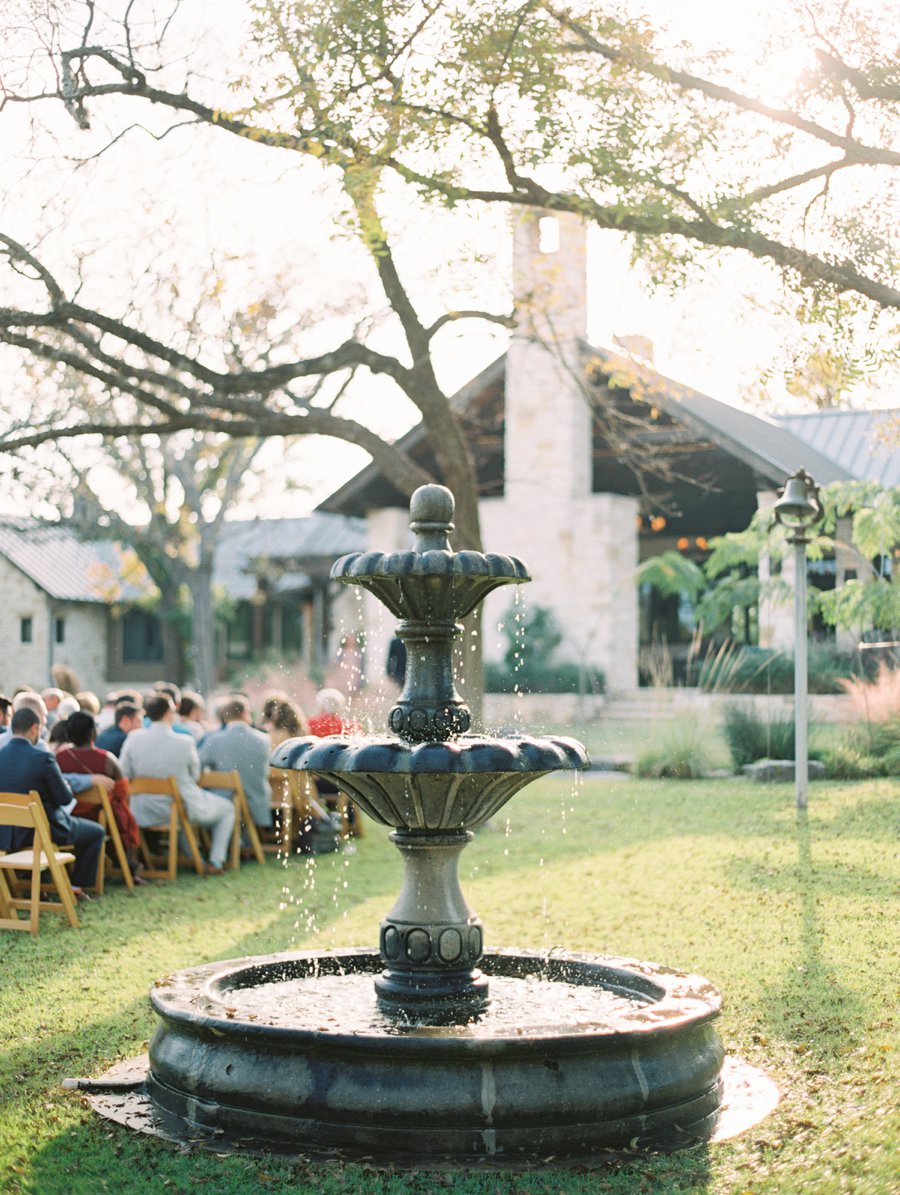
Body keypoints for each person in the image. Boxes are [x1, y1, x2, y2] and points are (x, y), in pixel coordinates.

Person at [119, 694, 234, 875]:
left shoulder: (133, 738)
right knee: (227, 808)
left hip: (141, 810)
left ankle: (195, 858)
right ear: (168, 713)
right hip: (179, 808)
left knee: (183, 806)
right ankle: (215, 861)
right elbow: (195, 775)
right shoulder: (185, 742)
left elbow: (124, 773)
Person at [0, 706, 104, 898]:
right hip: (44, 831)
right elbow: (64, 798)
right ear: (34, 728)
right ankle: (77, 885)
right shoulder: (43, 758)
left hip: (5, 832)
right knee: (96, 832)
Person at [56, 710, 145, 883]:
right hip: (101, 816)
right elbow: (122, 792)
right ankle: (129, 867)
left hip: (70, 814)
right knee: (122, 814)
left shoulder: (59, 757)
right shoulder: (107, 760)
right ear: (93, 732)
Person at [199, 696, 272, 830]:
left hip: (224, 799)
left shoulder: (214, 741)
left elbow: (198, 766)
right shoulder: (264, 740)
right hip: (255, 801)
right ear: (244, 713)